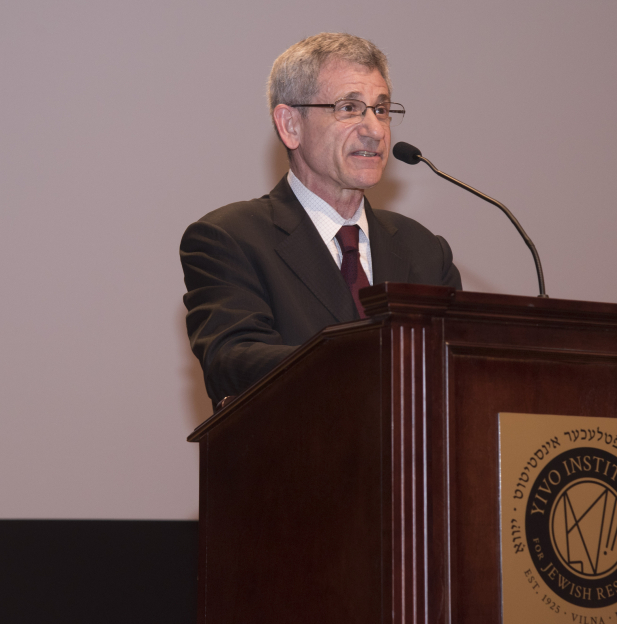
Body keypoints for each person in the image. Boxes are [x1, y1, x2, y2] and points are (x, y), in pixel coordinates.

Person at [180, 33, 462, 405]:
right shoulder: (230, 238)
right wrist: (375, 361)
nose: (375, 130)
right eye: (349, 107)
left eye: (381, 109)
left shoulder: (424, 250)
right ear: (290, 125)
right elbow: (232, 362)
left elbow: (460, 366)